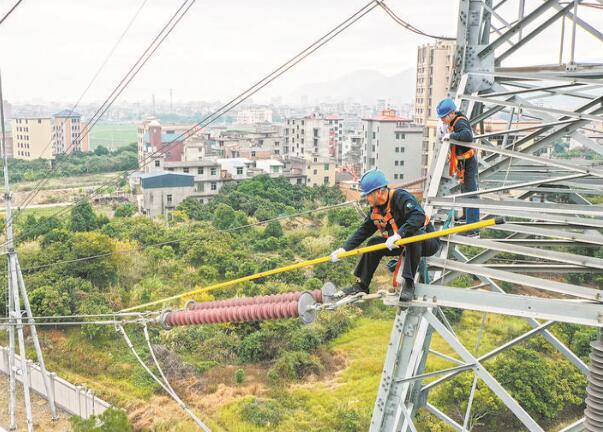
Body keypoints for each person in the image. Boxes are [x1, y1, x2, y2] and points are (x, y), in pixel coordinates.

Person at [330, 169, 440, 301]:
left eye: (368, 195)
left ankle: (409, 284)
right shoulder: (376, 208)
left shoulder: (401, 197)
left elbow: (418, 216)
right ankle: (362, 285)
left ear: (379, 192)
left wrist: (399, 234)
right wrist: (344, 249)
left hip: (426, 241)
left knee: (413, 235)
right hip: (403, 243)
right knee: (373, 244)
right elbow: (364, 230)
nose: (367, 198)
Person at [436, 98, 480, 235]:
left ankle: (473, 229)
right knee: (465, 191)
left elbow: (468, 136)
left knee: (471, 193)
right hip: (463, 162)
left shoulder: (460, 122)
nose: (442, 120)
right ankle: (467, 218)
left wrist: (451, 136)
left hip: (468, 162)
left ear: (450, 114)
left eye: (443, 117)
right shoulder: (455, 121)